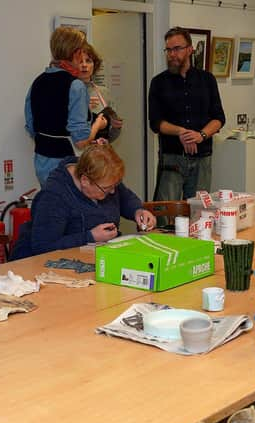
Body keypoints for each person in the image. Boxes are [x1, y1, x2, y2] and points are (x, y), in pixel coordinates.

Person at [10, 144, 156, 259]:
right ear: (85, 181)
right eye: (106, 188)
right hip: (43, 268)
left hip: (92, 259)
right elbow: (43, 246)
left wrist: (138, 210)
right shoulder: (54, 196)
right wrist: (90, 237)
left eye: (115, 186)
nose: (112, 192)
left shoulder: (102, 179)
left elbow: (124, 197)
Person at [148, 27, 226, 202]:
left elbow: (219, 118)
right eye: (168, 50)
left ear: (190, 49)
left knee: (198, 212)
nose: (172, 54)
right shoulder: (158, 83)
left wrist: (200, 135)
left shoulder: (207, 80)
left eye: (177, 49)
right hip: (172, 158)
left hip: (202, 158)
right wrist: (182, 132)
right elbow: (155, 122)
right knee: (166, 213)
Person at [25, 27, 108, 187]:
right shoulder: (75, 86)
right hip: (67, 166)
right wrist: (98, 124)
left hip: (41, 163)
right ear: (73, 52)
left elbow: (31, 126)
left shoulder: (38, 82)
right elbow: (81, 141)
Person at [78, 43, 123, 143]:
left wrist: (116, 127)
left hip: (99, 153)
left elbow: (111, 136)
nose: (84, 65)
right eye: (80, 61)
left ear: (95, 64)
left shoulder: (104, 92)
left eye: (88, 61)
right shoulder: (68, 92)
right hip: (76, 154)